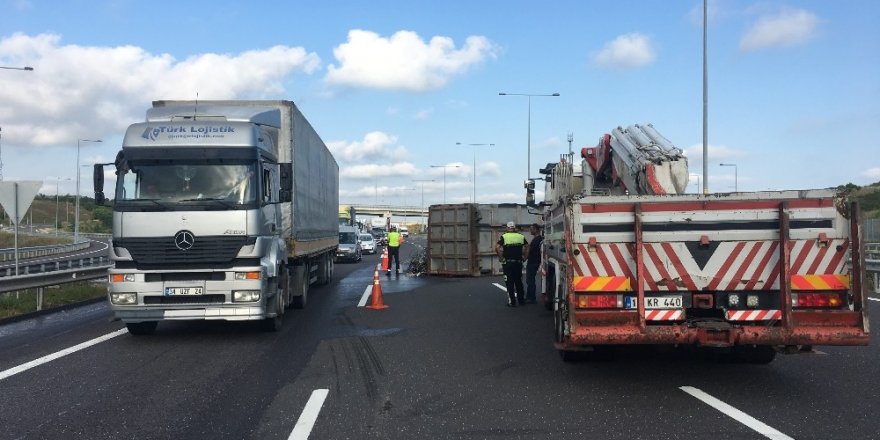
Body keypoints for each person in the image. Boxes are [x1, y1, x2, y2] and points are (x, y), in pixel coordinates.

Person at [496, 221, 529, 307]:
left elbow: (497, 247)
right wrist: (525, 257)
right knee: (518, 282)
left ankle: (512, 302)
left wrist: (501, 257)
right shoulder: (521, 236)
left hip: (508, 263)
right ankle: (521, 301)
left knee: (509, 282)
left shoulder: (504, 236)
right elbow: (528, 246)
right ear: (514, 228)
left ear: (507, 228)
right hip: (518, 263)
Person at [525, 223, 544, 304]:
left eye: (531, 229)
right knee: (531, 280)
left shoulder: (535, 240)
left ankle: (531, 298)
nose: (530, 231)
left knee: (530, 280)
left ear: (536, 230)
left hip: (532, 262)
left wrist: (524, 258)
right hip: (538, 261)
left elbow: (529, 251)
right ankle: (530, 297)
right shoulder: (541, 239)